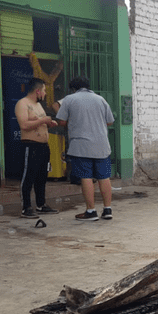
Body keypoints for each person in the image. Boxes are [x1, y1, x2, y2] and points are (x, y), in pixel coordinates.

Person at [56, 76, 115, 221]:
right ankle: (107, 210)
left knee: (86, 177)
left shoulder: (69, 99)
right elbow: (110, 121)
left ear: (74, 88)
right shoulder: (100, 99)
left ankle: (91, 211)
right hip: (101, 145)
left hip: (81, 146)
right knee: (104, 177)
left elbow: (62, 121)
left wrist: (76, 122)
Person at [15, 78, 59, 218]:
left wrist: (48, 123)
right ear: (38, 91)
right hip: (31, 145)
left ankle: (41, 204)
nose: (45, 94)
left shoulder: (38, 105)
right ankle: (26, 207)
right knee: (28, 176)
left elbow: (38, 122)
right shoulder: (23, 104)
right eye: (44, 91)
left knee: (42, 176)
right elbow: (24, 125)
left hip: (43, 146)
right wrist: (43, 120)